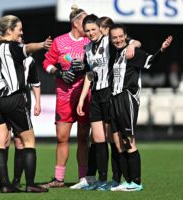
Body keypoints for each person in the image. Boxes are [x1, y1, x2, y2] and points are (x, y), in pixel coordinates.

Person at [0, 15, 51, 193]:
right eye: (19, 29)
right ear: (9, 31)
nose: (21, 32)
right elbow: (27, 48)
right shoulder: (13, 47)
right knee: (28, 141)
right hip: (13, 98)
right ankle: (30, 184)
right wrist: (42, 45)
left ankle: (5, 184)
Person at [77, 14, 142, 190]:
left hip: (109, 93)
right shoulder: (87, 48)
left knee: (113, 139)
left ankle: (117, 178)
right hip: (95, 95)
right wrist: (82, 98)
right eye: (87, 30)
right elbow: (90, 74)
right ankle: (102, 180)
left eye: (93, 29)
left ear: (100, 29)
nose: (90, 33)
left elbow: (134, 42)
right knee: (98, 139)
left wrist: (133, 45)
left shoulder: (108, 42)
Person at [107, 24, 172, 191]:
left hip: (127, 97)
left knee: (129, 140)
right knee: (118, 142)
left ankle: (136, 182)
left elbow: (150, 61)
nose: (118, 40)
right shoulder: (115, 53)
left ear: (126, 36)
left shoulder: (132, 52)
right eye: (114, 37)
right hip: (114, 98)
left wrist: (162, 49)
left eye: (121, 36)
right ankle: (127, 181)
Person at [41, 5, 91, 189]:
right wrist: (58, 73)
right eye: (85, 21)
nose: (89, 25)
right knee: (62, 138)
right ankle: (59, 179)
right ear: (76, 22)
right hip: (64, 96)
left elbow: (100, 63)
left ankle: (83, 179)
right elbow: (46, 62)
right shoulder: (59, 41)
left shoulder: (91, 40)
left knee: (84, 138)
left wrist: (86, 67)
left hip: (85, 97)